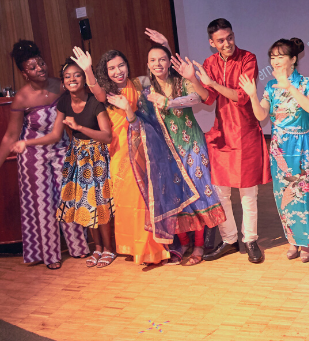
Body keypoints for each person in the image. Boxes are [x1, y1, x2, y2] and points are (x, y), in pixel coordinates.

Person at [114, 41, 227, 266]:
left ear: (169, 63)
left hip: (191, 146)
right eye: (153, 60)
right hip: (165, 151)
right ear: (147, 64)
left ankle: (198, 245)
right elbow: (137, 115)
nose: (158, 64)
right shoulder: (143, 85)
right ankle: (182, 242)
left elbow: (199, 98)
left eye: (162, 59)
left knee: (198, 193)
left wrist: (170, 101)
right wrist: (127, 110)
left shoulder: (180, 82)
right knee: (174, 196)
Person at [13, 60, 114, 267]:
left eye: (77, 75)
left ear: (84, 79)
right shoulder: (64, 102)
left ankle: (109, 249)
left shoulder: (95, 102)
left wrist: (79, 127)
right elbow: (55, 135)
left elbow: (107, 136)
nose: (72, 79)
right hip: (77, 156)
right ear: (64, 82)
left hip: (97, 155)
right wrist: (26, 142)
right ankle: (97, 248)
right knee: (86, 204)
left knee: (100, 204)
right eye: (67, 76)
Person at [0, 42, 89, 269]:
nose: (40, 68)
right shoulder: (22, 98)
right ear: (24, 73)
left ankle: (79, 248)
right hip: (33, 154)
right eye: (32, 67)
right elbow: (11, 135)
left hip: (61, 146)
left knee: (70, 196)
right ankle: (51, 255)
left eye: (41, 63)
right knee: (43, 204)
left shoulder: (60, 86)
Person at [77, 48, 169, 265]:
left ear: (128, 65)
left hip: (143, 148)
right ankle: (132, 247)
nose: (118, 71)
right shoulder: (106, 93)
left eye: (121, 65)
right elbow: (96, 91)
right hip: (119, 153)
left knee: (144, 200)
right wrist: (87, 70)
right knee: (126, 201)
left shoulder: (139, 84)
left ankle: (150, 250)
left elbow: (160, 78)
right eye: (111, 68)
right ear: (105, 72)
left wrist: (164, 45)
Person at [193, 18, 271, 264]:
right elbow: (207, 99)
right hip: (222, 134)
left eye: (229, 38)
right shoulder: (210, 62)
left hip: (245, 133)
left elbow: (241, 96)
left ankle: (250, 239)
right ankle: (229, 239)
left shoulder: (248, 58)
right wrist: (195, 81)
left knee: (248, 193)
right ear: (211, 43)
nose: (226, 43)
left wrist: (213, 83)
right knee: (221, 193)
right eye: (220, 40)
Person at [241, 38, 309, 263]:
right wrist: (253, 96)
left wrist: (290, 87)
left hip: (301, 145)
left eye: (280, 56)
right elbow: (261, 115)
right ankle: (292, 240)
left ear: (293, 59)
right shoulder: (270, 87)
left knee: (304, 193)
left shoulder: (306, 83)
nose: (275, 61)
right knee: (283, 196)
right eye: (272, 57)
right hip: (279, 148)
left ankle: (307, 243)